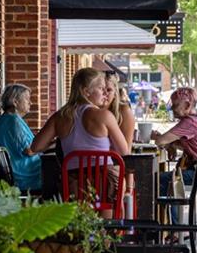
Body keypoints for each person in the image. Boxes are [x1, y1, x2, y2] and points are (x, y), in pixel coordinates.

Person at [30, 68, 130, 215]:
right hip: (104, 182)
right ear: (86, 91)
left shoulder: (60, 117)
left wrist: (59, 137)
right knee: (111, 197)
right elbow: (124, 151)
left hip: (73, 184)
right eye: (101, 88)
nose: (105, 93)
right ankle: (108, 232)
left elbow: (36, 146)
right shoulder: (104, 116)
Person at [151, 87, 197, 221]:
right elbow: (187, 144)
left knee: (157, 180)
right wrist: (171, 145)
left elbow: (161, 140)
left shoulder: (189, 122)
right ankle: (174, 228)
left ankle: (173, 228)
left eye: (175, 105)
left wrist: (154, 136)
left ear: (186, 105)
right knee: (168, 181)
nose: (172, 108)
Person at [0, 84, 42, 192]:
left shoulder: (5, 120)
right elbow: (29, 150)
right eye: (27, 99)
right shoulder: (13, 121)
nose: (30, 103)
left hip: (24, 172)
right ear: (15, 102)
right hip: (27, 177)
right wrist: (48, 144)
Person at [104, 72, 137, 143]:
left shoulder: (124, 111)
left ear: (115, 93)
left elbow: (126, 151)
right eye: (100, 89)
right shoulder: (88, 111)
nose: (104, 93)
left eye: (109, 90)